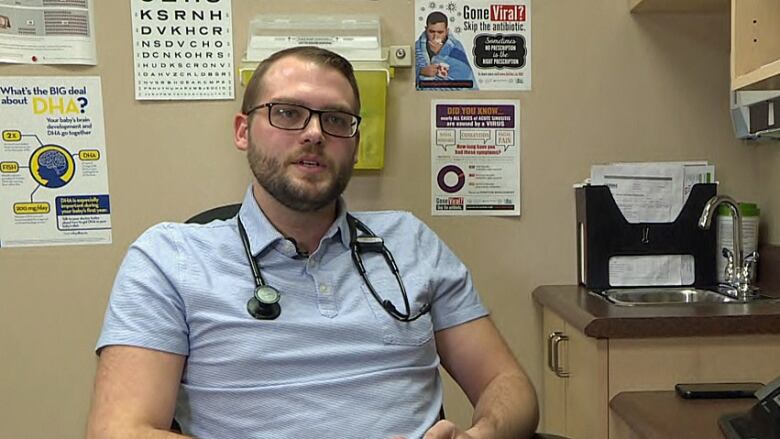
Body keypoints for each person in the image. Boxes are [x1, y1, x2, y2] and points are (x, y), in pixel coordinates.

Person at [86, 46, 537, 439]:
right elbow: (119, 430)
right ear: (243, 130)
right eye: (287, 112)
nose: (315, 133)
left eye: (337, 119)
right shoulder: (171, 258)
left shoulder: (410, 242)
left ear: (355, 144)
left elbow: (506, 383)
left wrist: (480, 435)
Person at [416, 11, 478, 90]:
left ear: (446, 31)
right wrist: (421, 71)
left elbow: (463, 73)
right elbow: (408, 78)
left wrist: (440, 54)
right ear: (426, 29)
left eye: (440, 32)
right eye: (431, 32)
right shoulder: (417, 48)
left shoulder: (455, 47)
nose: (436, 36)